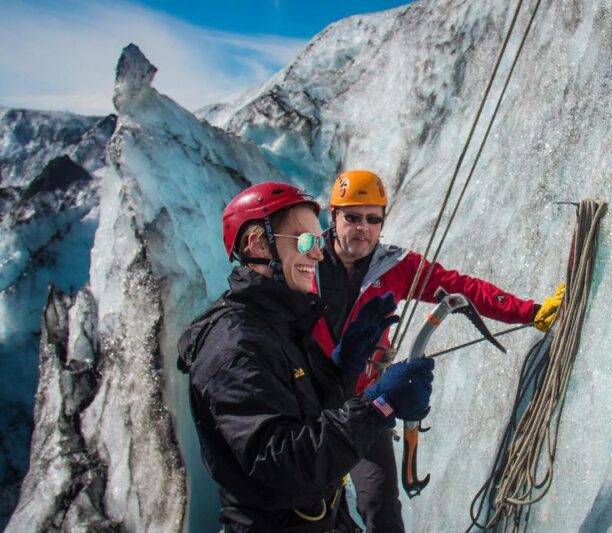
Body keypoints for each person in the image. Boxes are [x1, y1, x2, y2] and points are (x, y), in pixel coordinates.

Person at [312, 170, 565, 532]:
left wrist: (528, 311)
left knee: (381, 507)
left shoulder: (396, 267)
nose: (362, 228)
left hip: (362, 405)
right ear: (333, 216)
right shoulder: (305, 265)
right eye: (352, 217)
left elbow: (461, 289)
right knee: (311, 507)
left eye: (373, 219)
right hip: (305, 403)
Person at [177, 181, 435, 532]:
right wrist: (379, 406)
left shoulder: (277, 322)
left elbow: (309, 415)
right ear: (257, 244)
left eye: (318, 240)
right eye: (305, 241)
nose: (318, 253)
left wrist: (345, 370)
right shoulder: (235, 347)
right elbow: (282, 462)